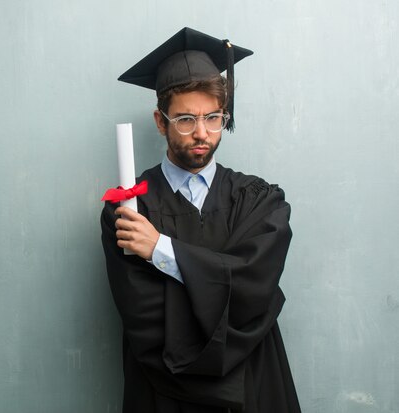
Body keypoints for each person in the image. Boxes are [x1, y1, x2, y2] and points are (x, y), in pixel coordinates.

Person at [100, 27, 301, 412]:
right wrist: (218, 285)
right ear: (161, 121)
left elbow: (255, 289)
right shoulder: (127, 212)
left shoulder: (260, 202)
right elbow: (144, 318)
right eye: (185, 120)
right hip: (167, 394)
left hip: (255, 389)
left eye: (213, 117)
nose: (202, 133)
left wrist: (161, 249)